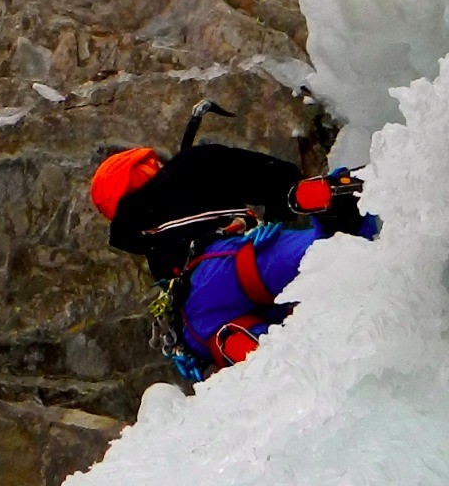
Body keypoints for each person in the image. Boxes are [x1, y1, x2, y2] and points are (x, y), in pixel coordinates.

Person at [89, 104, 376, 383]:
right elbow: (257, 174)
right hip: (232, 262)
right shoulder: (188, 168)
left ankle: (245, 347)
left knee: (260, 345)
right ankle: (329, 204)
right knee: (322, 252)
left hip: (196, 317)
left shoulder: (144, 239)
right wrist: (284, 197)